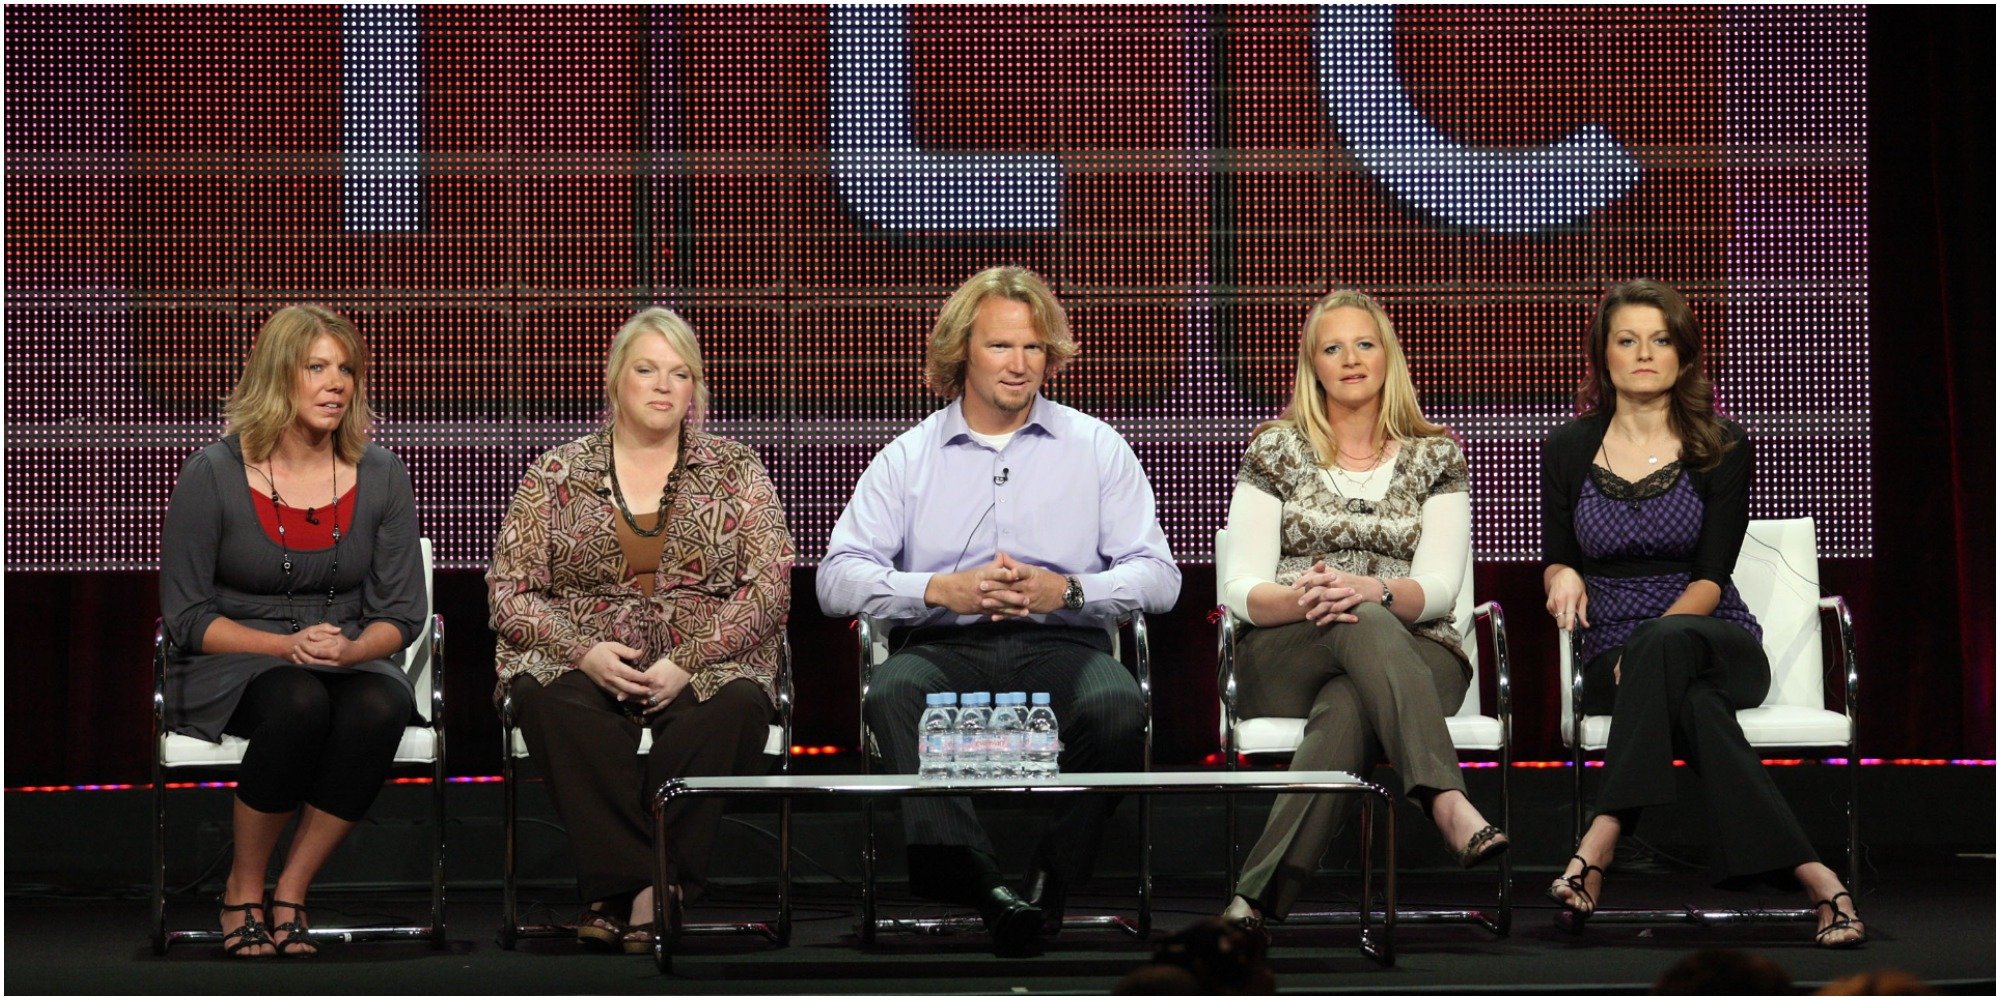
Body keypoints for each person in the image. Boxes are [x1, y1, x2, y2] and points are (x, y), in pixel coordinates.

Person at [817, 265, 1181, 955]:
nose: (1020, 366)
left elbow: (1159, 578)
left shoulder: (1096, 447)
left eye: (1034, 349)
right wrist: (936, 589)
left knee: (1117, 707)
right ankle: (987, 888)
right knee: (892, 692)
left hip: (1064, 647)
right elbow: (836, 579)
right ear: (961, 352)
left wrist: (1068, 590)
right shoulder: (909, 457)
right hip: (944, 649)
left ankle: (1048, 881)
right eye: (1001, 347)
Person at [1541, 279, 1865, 948]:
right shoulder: (1568, 447)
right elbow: (1557, 555)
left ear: (1684, 356)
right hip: (1613, 654)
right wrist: (1562, 571)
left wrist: (1659, 636)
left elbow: (1713, 579)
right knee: (1699, 712)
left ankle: (1598, 843)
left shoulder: (1722, 445)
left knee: (1667, 648)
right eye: (1627, 340)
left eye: (1661, 341)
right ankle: (1820, 881)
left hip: (1717, 638)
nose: (1643, 354)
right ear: (1603, 355)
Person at [489, 307, 793, 955]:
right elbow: (509, 593)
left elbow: (769, 587)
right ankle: (649, 888)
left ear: (695, 389)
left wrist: (689, 658)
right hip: (584, 655)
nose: (663, 385)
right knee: (557, 702)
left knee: (729, 706)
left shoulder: (735, 470)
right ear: (615, 380)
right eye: (648, 370)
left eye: (680, 374)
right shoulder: (556, 474)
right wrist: (583, 652)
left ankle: (618, 894)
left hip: (708, 658)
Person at [1214, 289, 1508, 933]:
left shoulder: (1437, 455)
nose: (1350, 359)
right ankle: (1444, 797)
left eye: (1365, 344)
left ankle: (1255, 901)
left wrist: (1368, 590)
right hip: (1289, 645)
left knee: (1351, 696)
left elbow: (1438, 590)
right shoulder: (1275, 450)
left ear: (1388, 356)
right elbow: (1240, 587)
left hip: (1421, 654)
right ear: (1311, 365)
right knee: (1358, 620)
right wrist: (1310, 596)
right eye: (1332, 347)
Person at [160, 304, 425, 957]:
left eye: (346, 370)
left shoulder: (381, 472)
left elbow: (402, 612)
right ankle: (242, 890)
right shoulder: (212, 473)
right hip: (233, 655)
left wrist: (357, 647)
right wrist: (284, 647)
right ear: (279, 375)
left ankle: (292, 892)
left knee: (382, 703)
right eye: (317, 367)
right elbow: (187, 616)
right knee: (297, 702)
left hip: (342, 654)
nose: (337, 383)